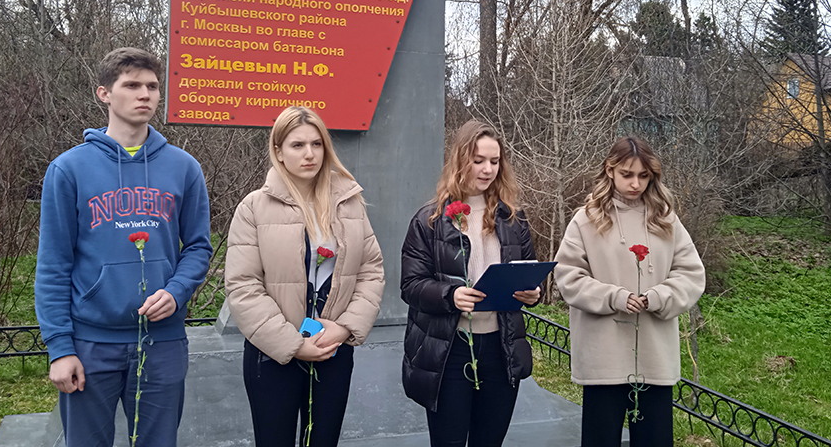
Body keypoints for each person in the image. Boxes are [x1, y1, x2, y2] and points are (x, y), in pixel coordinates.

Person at [35, 47, 212, 447]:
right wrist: (60, 348)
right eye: (131, 85)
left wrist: (176, 291)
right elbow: (53, 265)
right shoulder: (69, 169)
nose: (144, 94)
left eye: (152, 86)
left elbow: (199, 247)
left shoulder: (184, 167)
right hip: (91, 343)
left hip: (162, 341)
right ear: (104, 93)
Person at [224, 106, 384, 447]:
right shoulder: (254, 208)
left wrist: (345, 328)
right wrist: (293, 345)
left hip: (332, 349)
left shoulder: (350, 203)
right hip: (274, 355)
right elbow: (243, 286)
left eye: (316, 144)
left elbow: (371, 271)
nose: (309, 154)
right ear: (279, 151)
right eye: (297, 145)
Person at [554, 136, 706, 447]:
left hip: (654, 355)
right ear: (610, 170)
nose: (635, 184)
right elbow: (567, 276)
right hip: (603, 356)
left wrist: (658, 297)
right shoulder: (587, 219)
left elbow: (691, 274)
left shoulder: (665, 219)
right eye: (627, 174)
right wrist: (615, 297)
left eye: (643, 176)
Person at [400, 120, 542, 447]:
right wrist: (450, 295)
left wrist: (533, 293)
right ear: (460, 160)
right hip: (449, 349)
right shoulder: (429, 221)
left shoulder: (513, 218)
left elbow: (529, 272)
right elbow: (410, 284)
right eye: (478, 160)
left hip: (501, 347)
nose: (487, 169)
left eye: (494, 161)